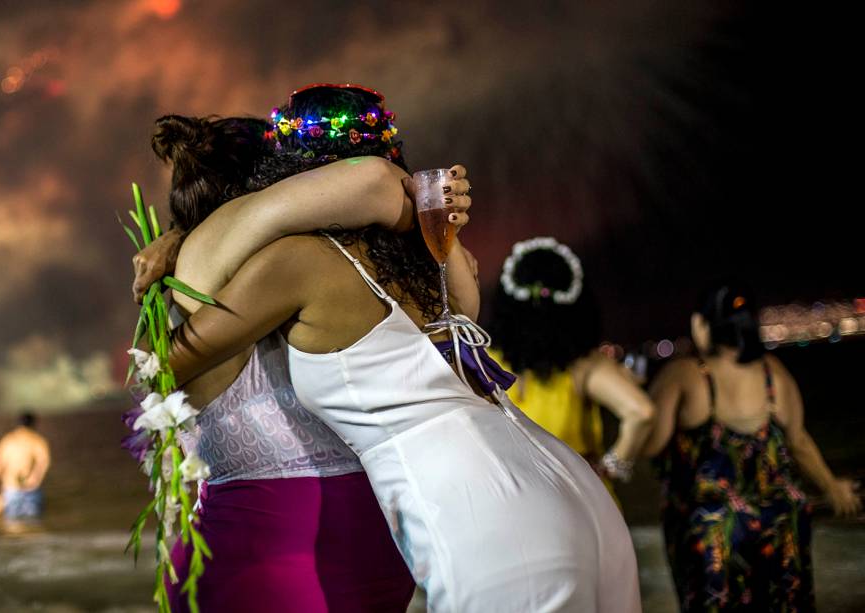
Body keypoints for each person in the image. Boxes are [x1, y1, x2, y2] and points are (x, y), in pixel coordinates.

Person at [166, 84, 641, 612]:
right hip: (569, 487)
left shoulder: (299, 261)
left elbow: (167, 356)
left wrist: (177, 254)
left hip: (481, 507)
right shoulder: (421, 260)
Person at [135, 86, 476, 612]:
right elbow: (375, 183)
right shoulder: (250, 263)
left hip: (330, 553)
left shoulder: (257, 270)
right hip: (284, 558)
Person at [643, 283, 861, 612]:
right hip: (780, 525)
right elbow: (798, 440)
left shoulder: (685, 374)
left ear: (702, 325)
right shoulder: (773, 372)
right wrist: (832, 488)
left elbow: (652, 443)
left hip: (715, 536)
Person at [489, 237, 656, 492]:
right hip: (578, 499)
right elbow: (642, 412)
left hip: (512, 497)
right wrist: (610, 469)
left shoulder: (485, 360)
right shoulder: (585, 365)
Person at [0, 412, 50, 521]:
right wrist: (35, 478)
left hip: (10, 488)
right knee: (33, 525)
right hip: (30, 489)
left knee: (11, 525)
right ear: (33, 424)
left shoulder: (7, 440)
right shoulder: (36, 440)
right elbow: (44, 461)